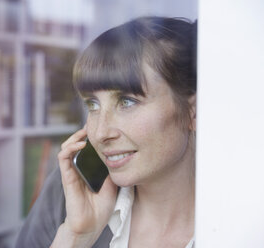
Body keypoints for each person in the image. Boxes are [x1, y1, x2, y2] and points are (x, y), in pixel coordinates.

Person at [15, 16, 197, 248]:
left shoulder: (240, 222)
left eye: (127, 102)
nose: (100, 133)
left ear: (193, 112)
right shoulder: (68, 196)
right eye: (92, 104)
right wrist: (75, 237)